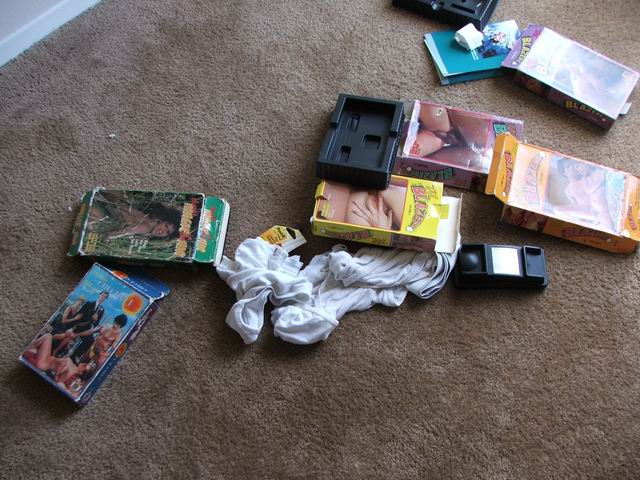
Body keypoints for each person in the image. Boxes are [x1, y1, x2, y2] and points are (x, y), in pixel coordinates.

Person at [87, 190, 182, 240]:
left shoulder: (148, 225)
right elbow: (118, 233)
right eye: (166, 226)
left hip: (108, 208)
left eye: (167, 232)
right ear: (162, 220)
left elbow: (118, 232)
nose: (163, 231)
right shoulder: (147, 225)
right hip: (111, 205)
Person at [22, 333, 93, 395]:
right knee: (47, 338)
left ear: (81, 372)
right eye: (85, 363)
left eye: (84, 366)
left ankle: (29, 346)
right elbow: (59, 380)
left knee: (48, 336)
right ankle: (29, 347)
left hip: (44, 362)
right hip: (45, 361)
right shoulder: (72, 368)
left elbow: (59, 380)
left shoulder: (72, 371)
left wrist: (57, 373)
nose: (84, 363)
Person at [68, 291, 109, 363]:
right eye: (102, 295)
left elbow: (96, 324)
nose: (103, 297)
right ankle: (71, 354)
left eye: (105, 297)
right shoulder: (89, 303)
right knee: (83, 338)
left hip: (87, 328)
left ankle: (75, 355)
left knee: (90, 340)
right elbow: (80, 313)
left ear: (105, 299)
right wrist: (72, 326)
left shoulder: (102, 310)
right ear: (99, 295)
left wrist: (95, 320)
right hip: (80, 325)